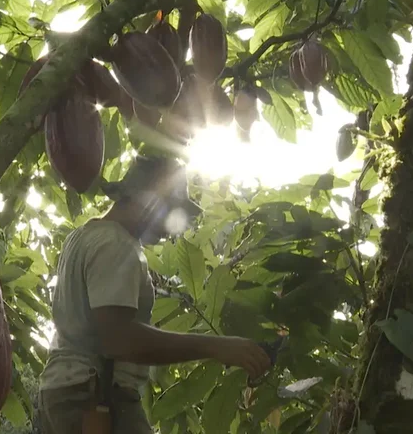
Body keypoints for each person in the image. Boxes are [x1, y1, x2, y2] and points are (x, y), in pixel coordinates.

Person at [36, 155, 271, 434]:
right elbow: (119, 339)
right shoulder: (116, 244)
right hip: (94, 398)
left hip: (61, 393)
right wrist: (216, 347)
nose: (171, 229)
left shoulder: (83, 236)